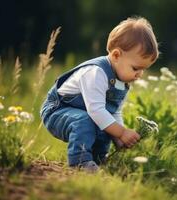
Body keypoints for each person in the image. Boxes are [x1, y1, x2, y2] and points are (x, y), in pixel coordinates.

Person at [40, 16, 159, 173]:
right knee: (87, 120)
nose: (140, 74)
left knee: (107, 124)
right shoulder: (96, 73)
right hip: (58, 110)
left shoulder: (122, 81)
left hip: (85, 112)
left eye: (143, 69)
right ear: (116, 56)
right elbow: (96, 110)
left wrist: (118, 136)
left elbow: (114, 111)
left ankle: (98, 160)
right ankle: (79, 162)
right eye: (136, 68)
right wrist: (122, 132)